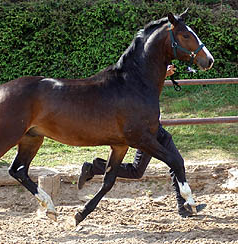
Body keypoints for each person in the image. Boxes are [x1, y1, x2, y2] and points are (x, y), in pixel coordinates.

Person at [77, 65, 201, 217]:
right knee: (142, 170)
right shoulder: (135, 75)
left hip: (155, 129)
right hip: (146, 132)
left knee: (173, 162)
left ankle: (183, 206)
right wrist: (161, 72)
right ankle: (94, 167)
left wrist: (163, 73)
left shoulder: (144, 73)